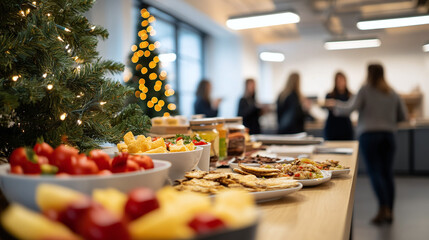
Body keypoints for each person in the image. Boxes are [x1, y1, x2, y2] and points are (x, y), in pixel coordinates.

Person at [328, 63, 407, 225]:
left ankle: (382, 208)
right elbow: (403, 116)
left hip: (369, 137)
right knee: (387, 174)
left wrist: (334, 105)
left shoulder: (364, 90)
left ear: (369, 74)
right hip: (388, 136)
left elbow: (349, 109)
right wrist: (388, 120)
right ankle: (389, 211)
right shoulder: (392, 93)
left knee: (375, 172)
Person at [324, 71, 354, 140]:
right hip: (332, 127)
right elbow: (325, 107)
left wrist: (335, 104)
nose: (340, 83)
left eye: (342, 80)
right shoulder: (330, 95)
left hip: (345, 127)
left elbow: (350, 108)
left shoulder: (350, 95)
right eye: (338, 81)